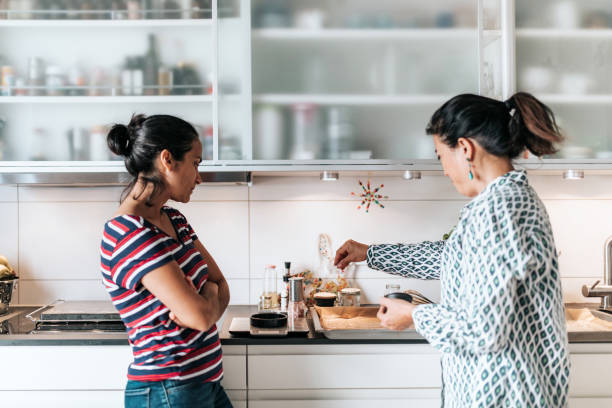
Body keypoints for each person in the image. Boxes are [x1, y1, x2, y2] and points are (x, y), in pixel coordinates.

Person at [334, 93, 570, 407]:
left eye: (441, 156)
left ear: (466, 149)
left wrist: (414, 316)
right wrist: (370, 253)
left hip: (504, 396)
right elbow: (450, 259)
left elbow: (484, 331)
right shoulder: (503, 201)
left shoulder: (499, 210)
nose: (444, 170)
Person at [100, 114, 232, 408]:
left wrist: (206, 298)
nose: (199, 177)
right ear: (167, 159)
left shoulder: (174, 219)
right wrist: (205, 304)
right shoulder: (128, 232)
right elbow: (200, 317)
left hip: (202, 384)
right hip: (167, 391)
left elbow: (220, 285)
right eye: (196, 163)